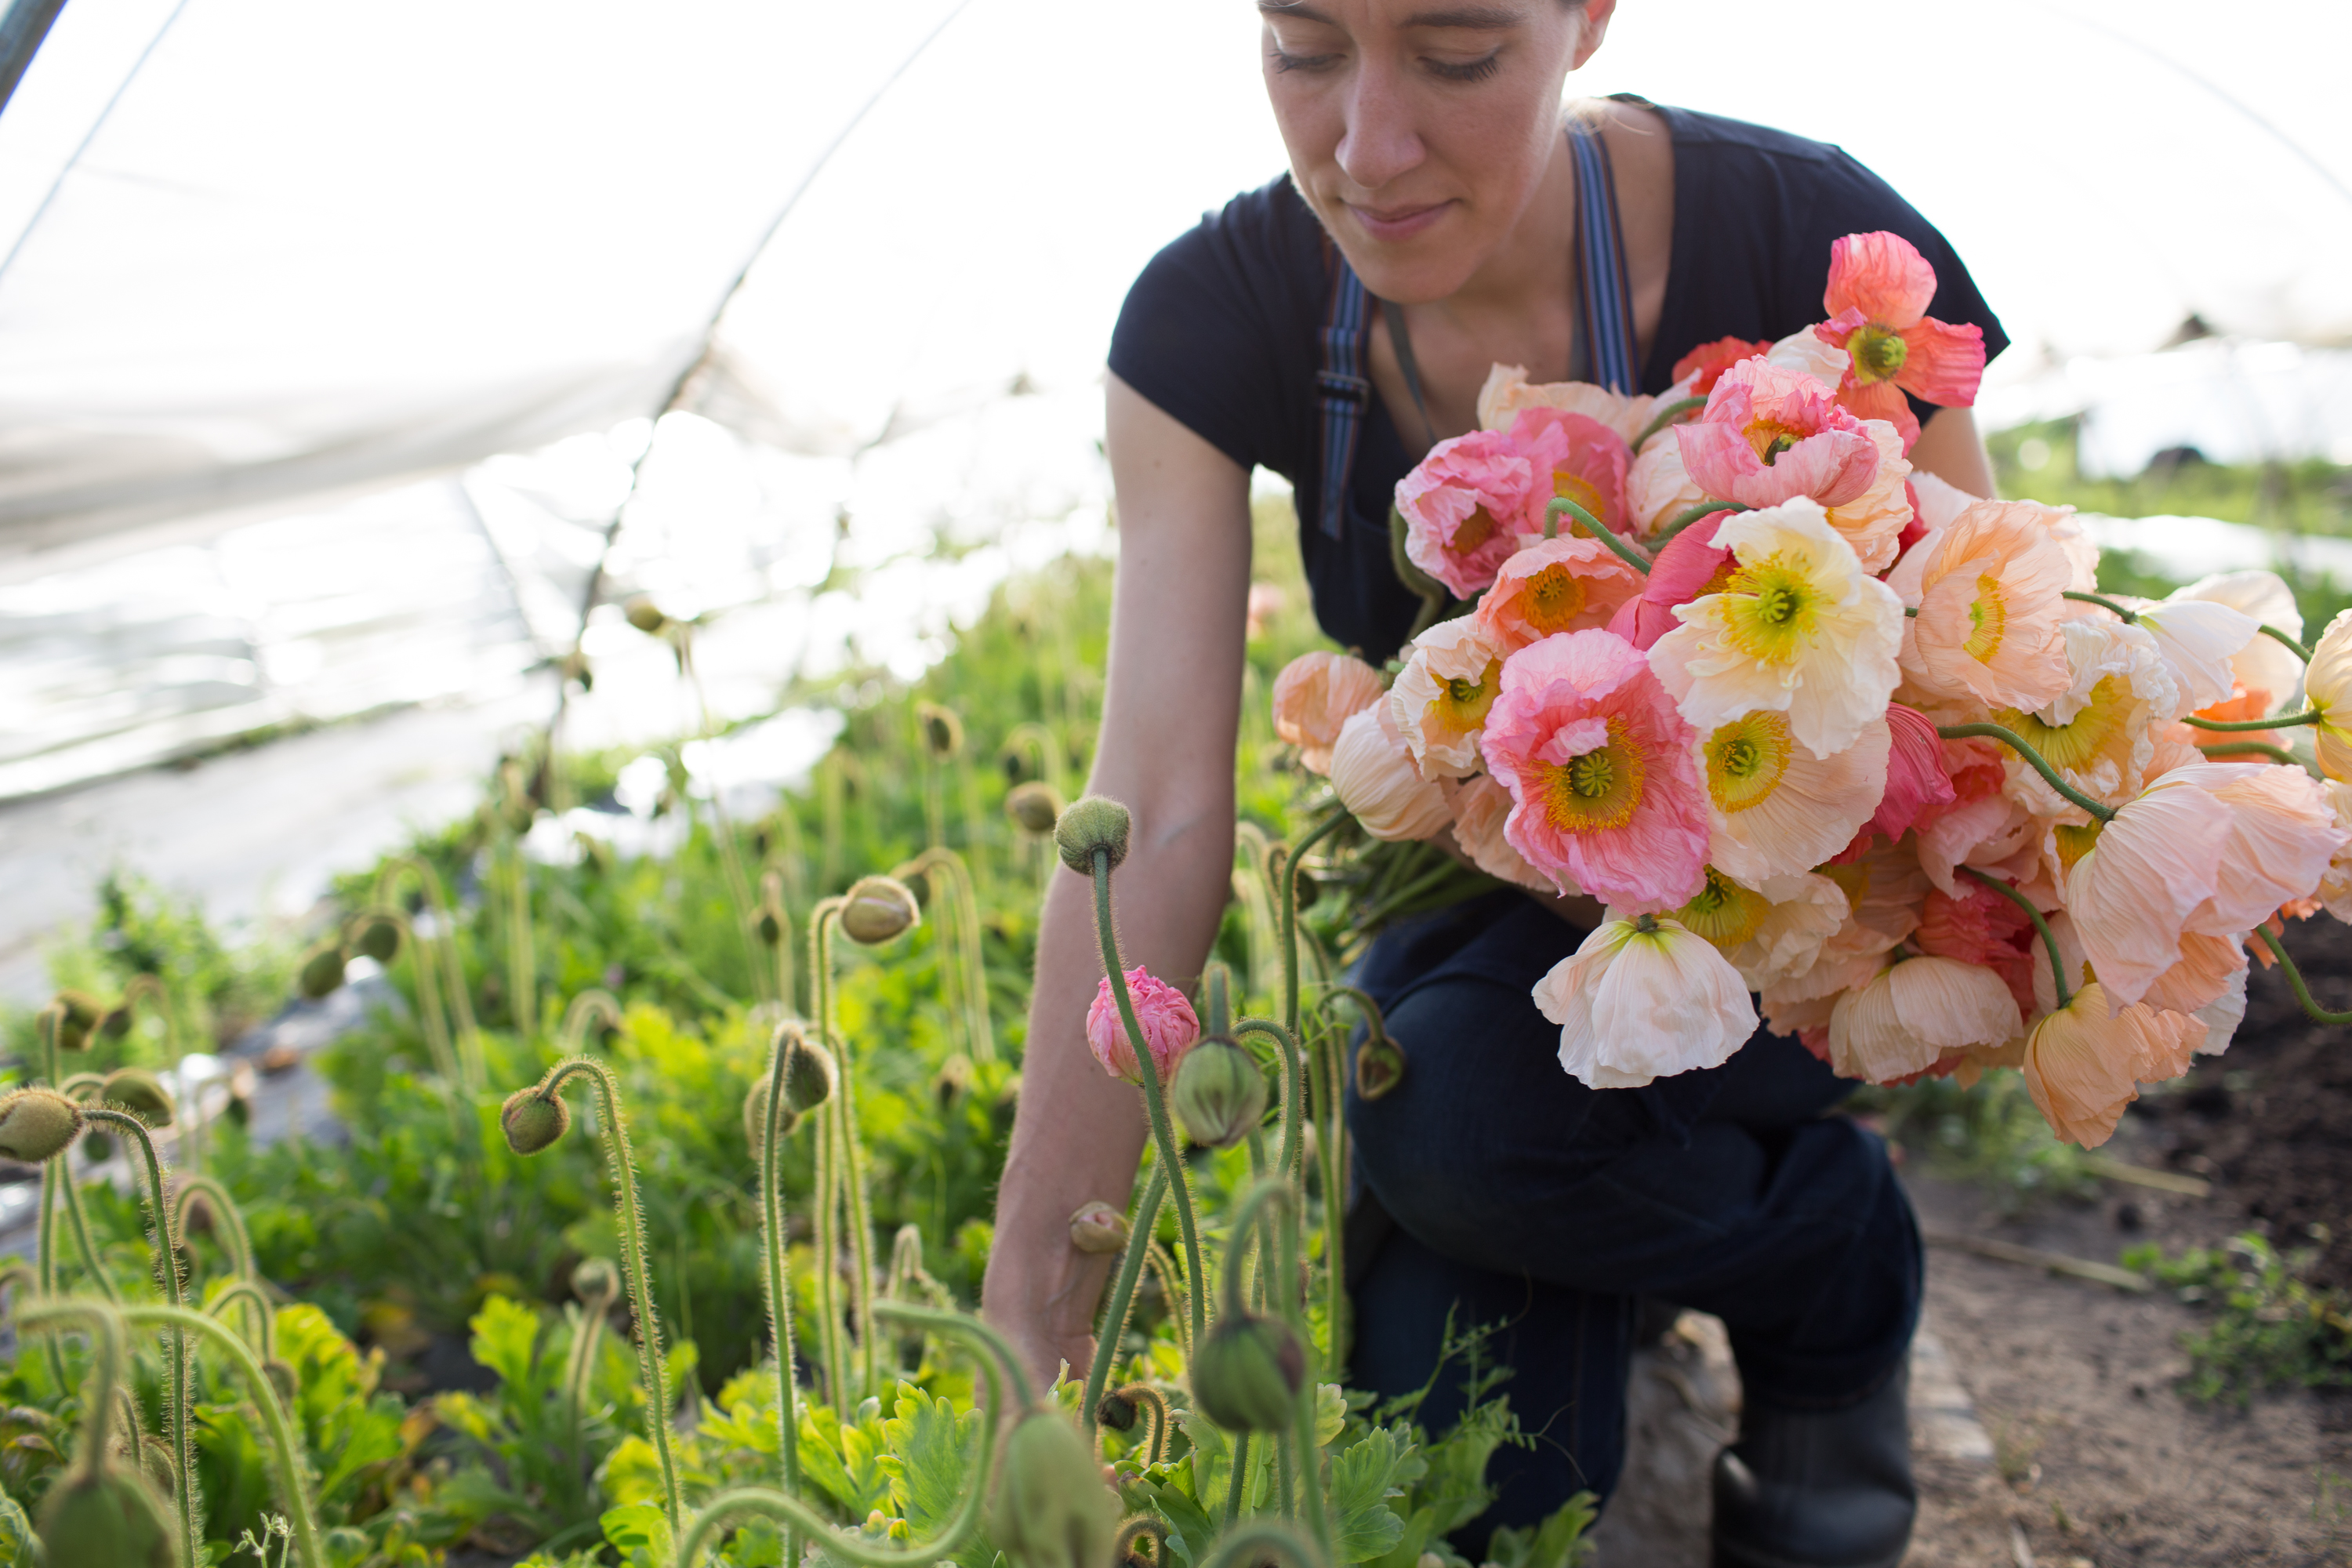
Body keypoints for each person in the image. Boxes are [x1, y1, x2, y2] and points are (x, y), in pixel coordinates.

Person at [983, 4, 2006, 1565]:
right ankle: (1733, 1243)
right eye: (1303, 46)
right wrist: (1033, 1326)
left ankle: (1825, 1265)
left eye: (1457, 52)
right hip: (1478, 944)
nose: (1366, 148)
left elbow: (1966, 705)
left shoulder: (1807, 243)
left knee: (1451, 1123)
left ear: (1585, 17)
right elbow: (1161, 810)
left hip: (1775, 939)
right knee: (1467, 1484)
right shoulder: (1217, 318)